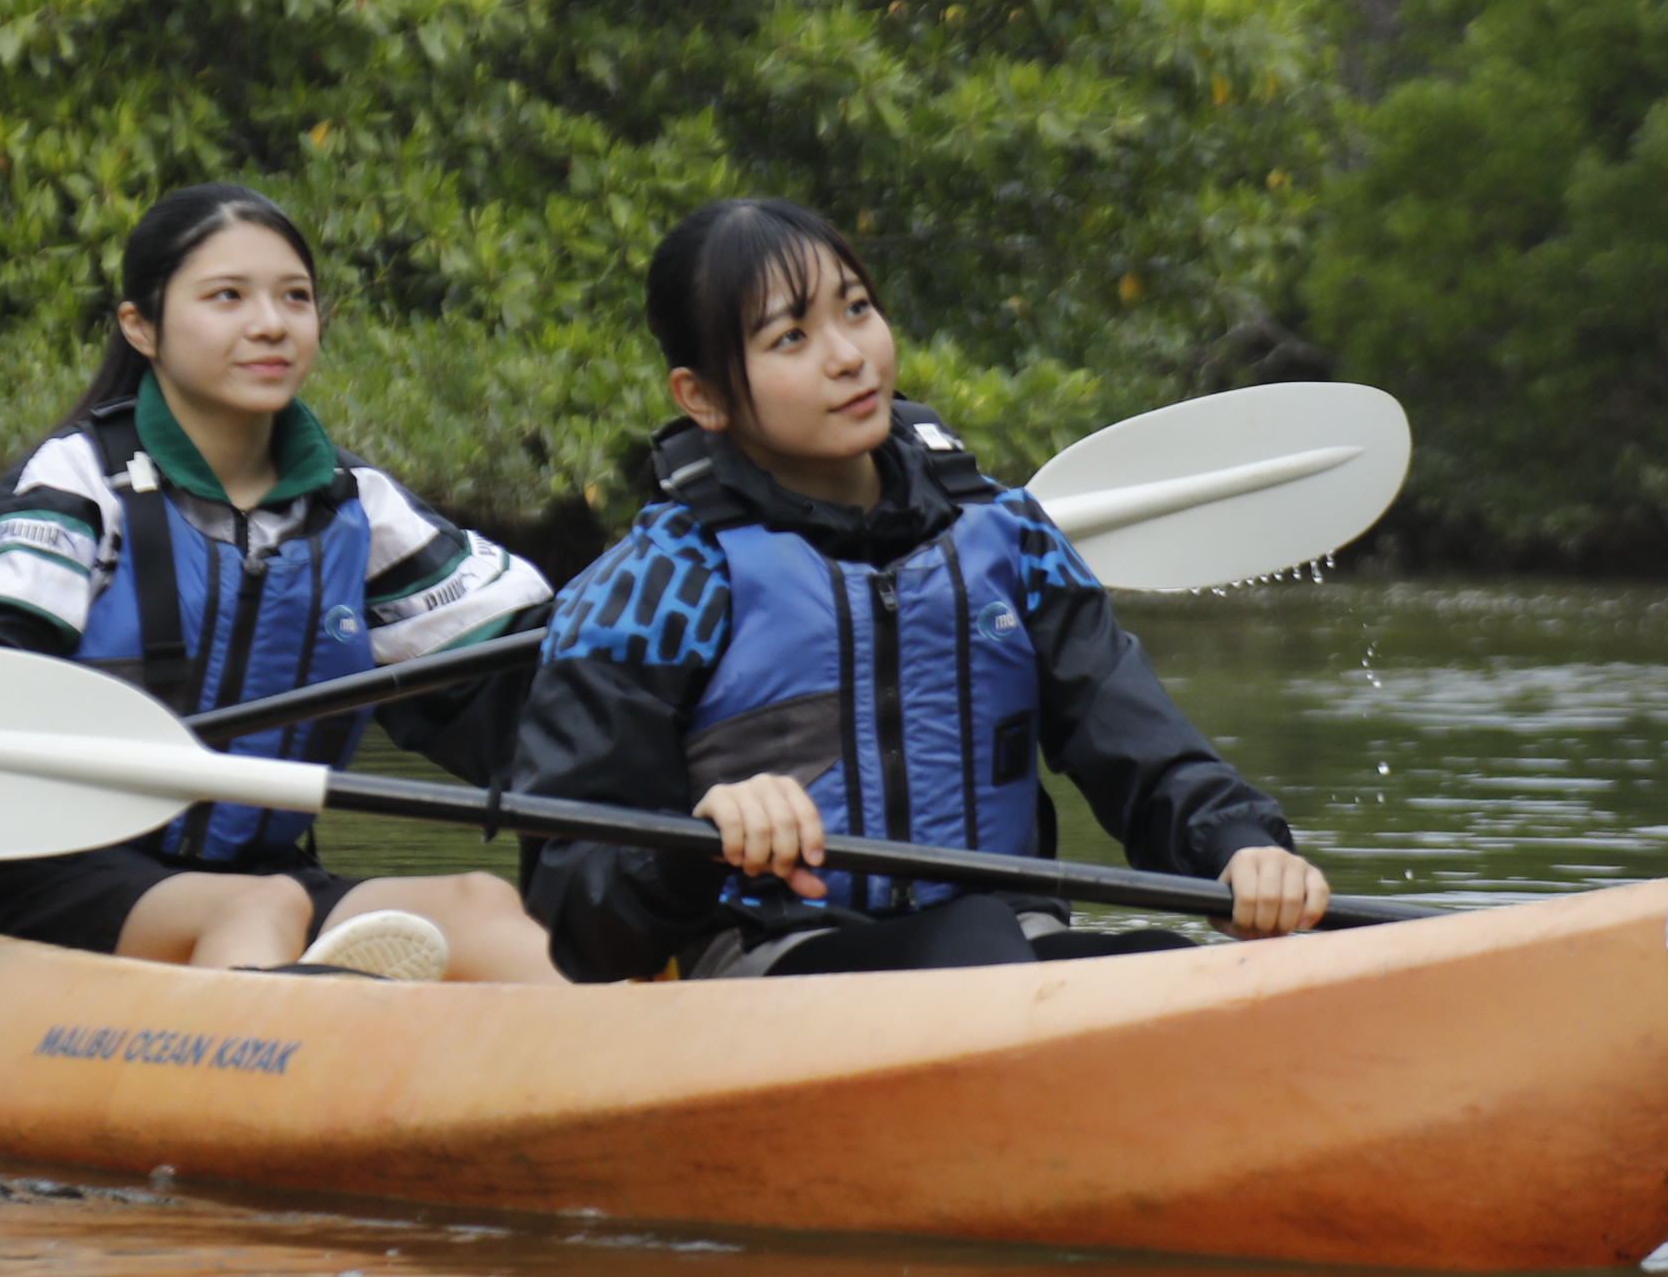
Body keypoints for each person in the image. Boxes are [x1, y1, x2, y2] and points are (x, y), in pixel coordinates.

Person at [512, 195, 1328, 981]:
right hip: (768, 963)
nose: (848, 355)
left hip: (1005, 946)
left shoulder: (1013, 541)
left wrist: (1239, 847)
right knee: (976, 944)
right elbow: (570, 911)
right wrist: (691, 843)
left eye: (857, 308)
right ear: (705, 398)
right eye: (791, 336)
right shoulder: (661, 586)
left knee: (1163, 964)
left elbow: (1142, 749)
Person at [0, 182, 561, 983]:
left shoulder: (356, 508)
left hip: (263, 871)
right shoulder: (79, 482)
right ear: (140, 326)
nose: (270, 324)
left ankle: (632, 1074)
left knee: (479, 904)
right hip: (44, 873)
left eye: (296, 297)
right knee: (261, 911)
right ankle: (264, 1068)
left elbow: (530, 698)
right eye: (227, 297)